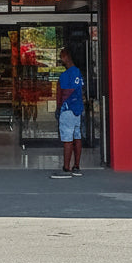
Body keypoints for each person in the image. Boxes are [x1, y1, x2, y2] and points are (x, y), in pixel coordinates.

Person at [53, 47, 85, 178]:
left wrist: (59, 107)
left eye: (61, 57)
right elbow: (80, 91)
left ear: (66, 57)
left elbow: (63, 93)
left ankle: (66, 167)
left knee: (67, 138)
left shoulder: (65, 76)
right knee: (77, 137)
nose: (61, 60)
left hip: (67, 109)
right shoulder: (78, 72)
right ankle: (76, 165)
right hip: (78, 109)